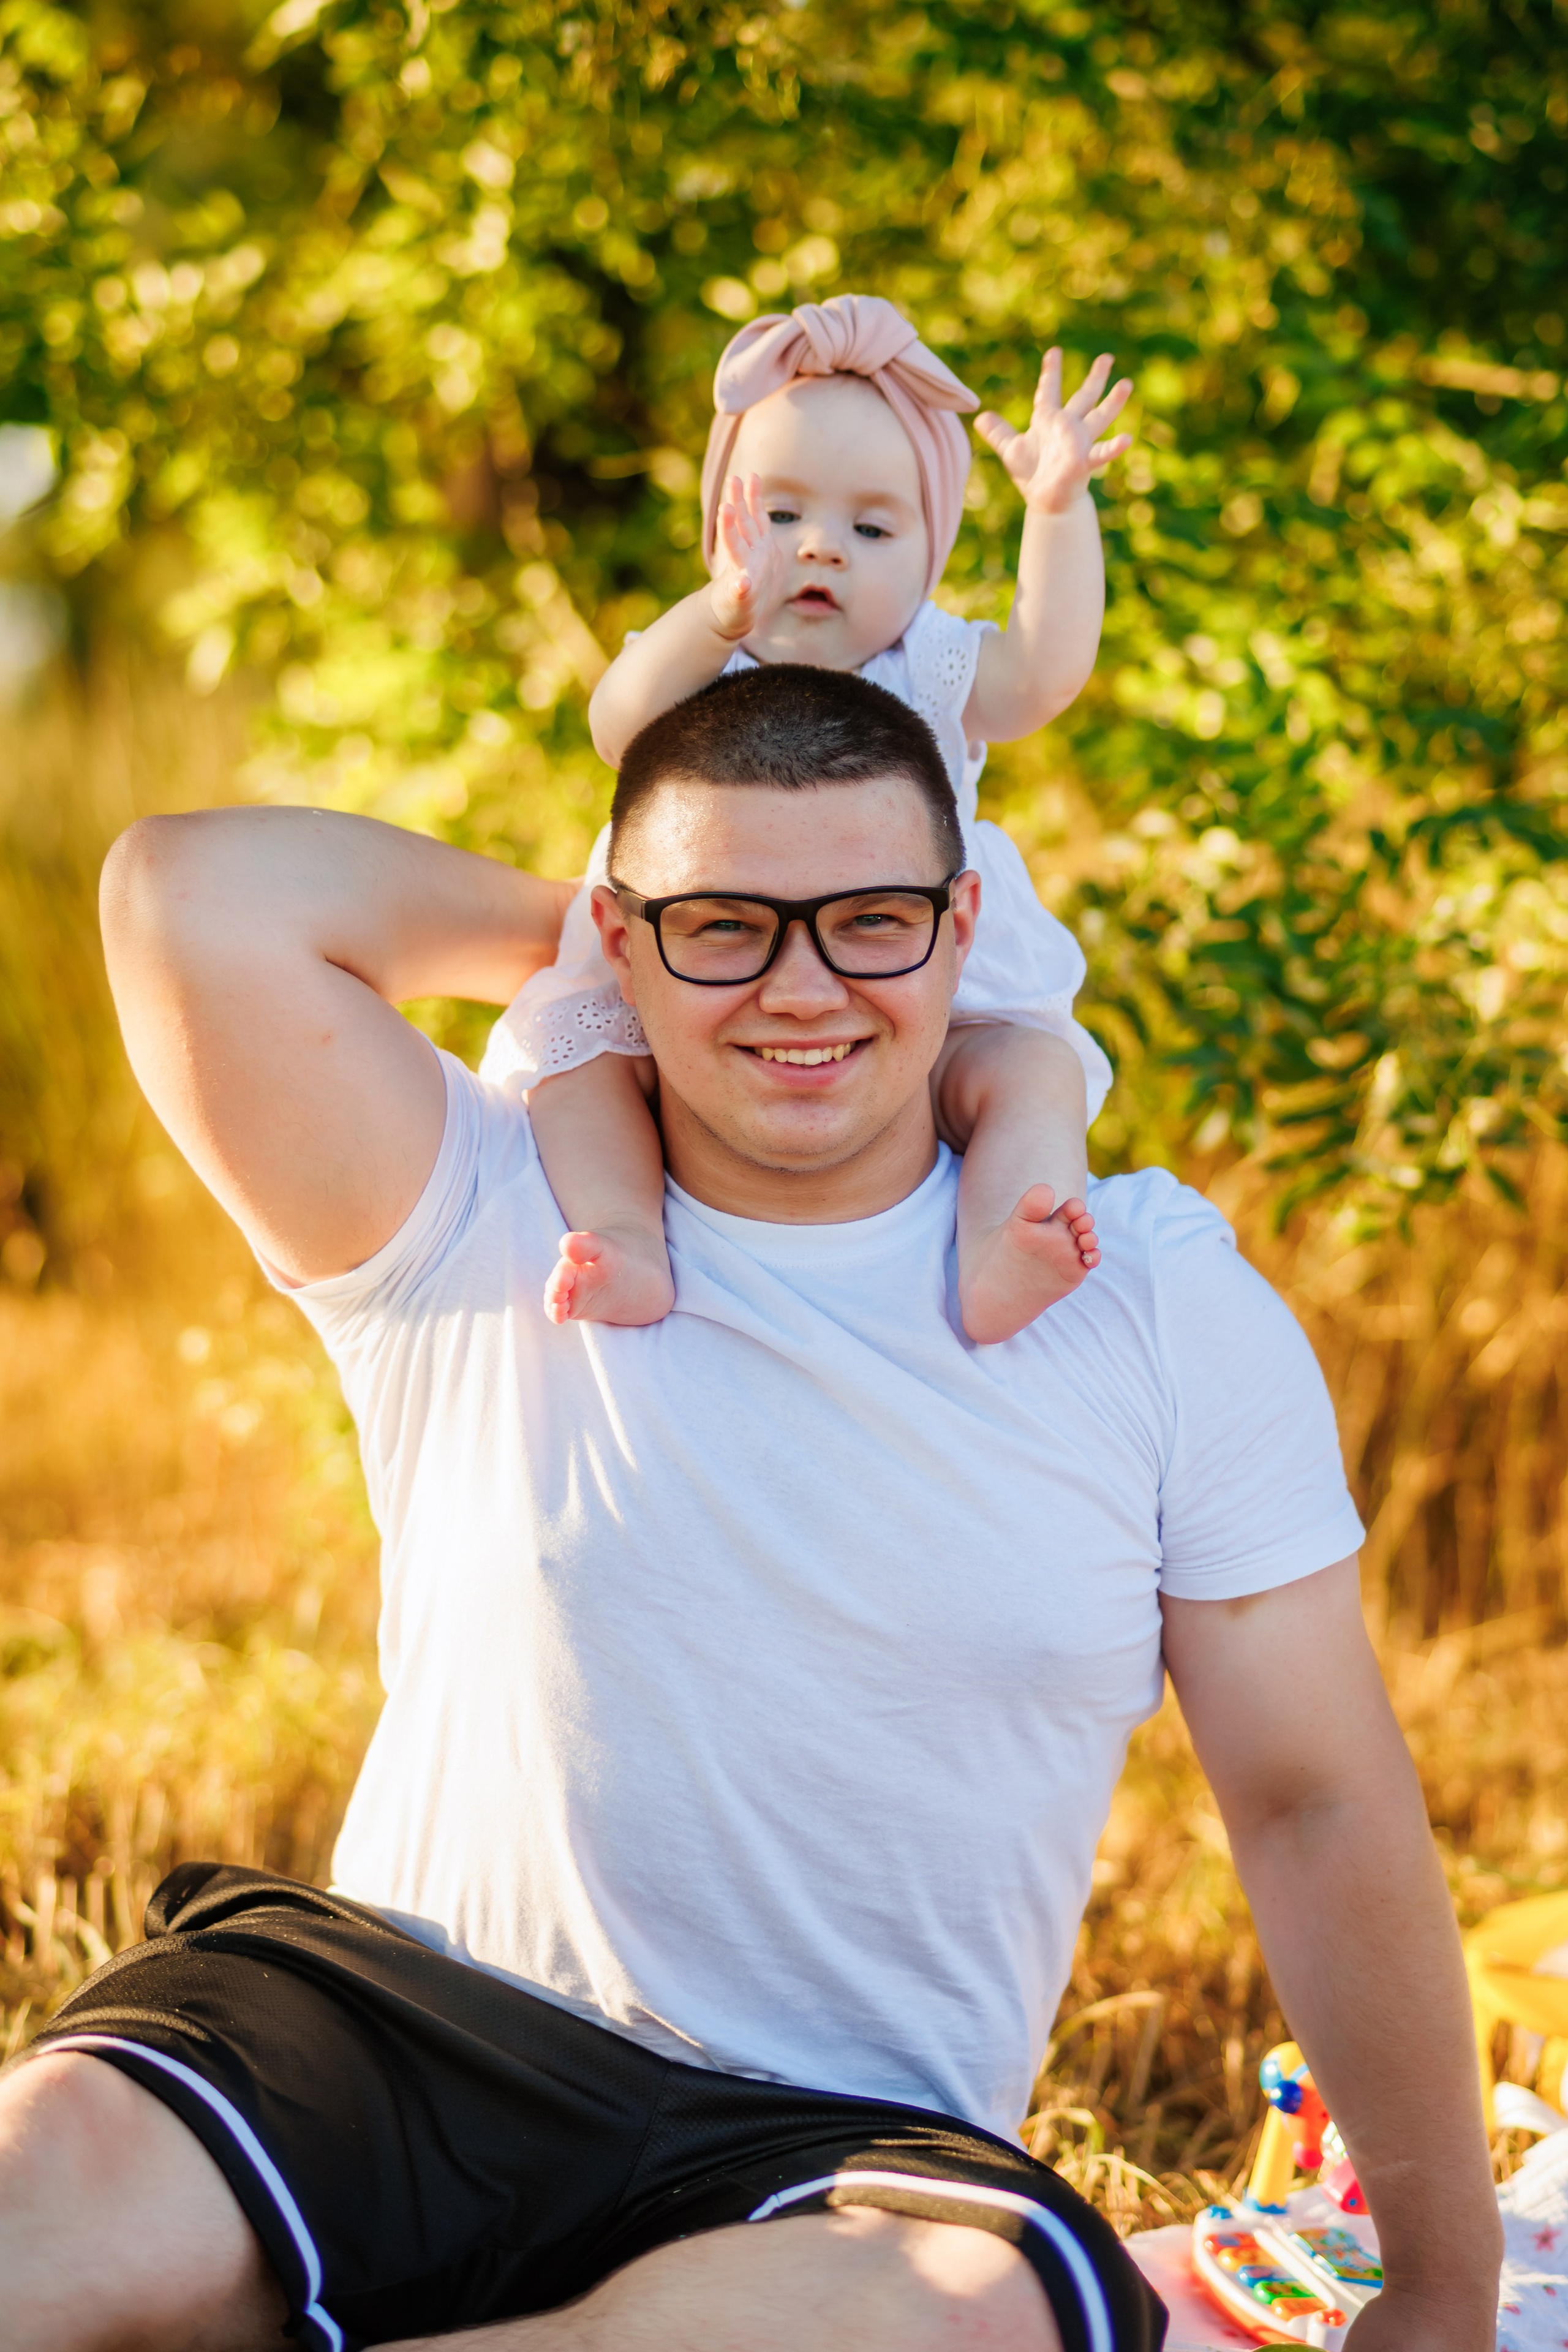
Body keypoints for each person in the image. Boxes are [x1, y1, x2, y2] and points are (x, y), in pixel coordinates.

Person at [2, 667, 1499, 2352]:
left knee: (956, 2310)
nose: (802, 989)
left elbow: (1312, 1799)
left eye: (871, 922)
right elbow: (187, 892)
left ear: (963, 929)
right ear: (617, 941)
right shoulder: (480, 1202)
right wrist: (618, 942)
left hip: (837, 2165)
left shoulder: (1146, 1295)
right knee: (47, 2188)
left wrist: (1442, 2292)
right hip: (392, 2044)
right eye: (726, 926)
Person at [483, 293, 1131, 1343]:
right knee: (581, 1070)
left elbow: (1046, 673)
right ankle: (626, 1239)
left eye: (871, 528)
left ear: (928, 555)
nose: (821, 549)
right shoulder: (704, 654)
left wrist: (1057, 510)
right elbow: (615, 725)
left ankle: (1005, 1240)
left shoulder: (932, 662)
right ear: (719, 530)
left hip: (917, 967)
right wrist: (714, 617)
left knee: (1031, 1070)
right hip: (691, 959)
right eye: (780, 518)